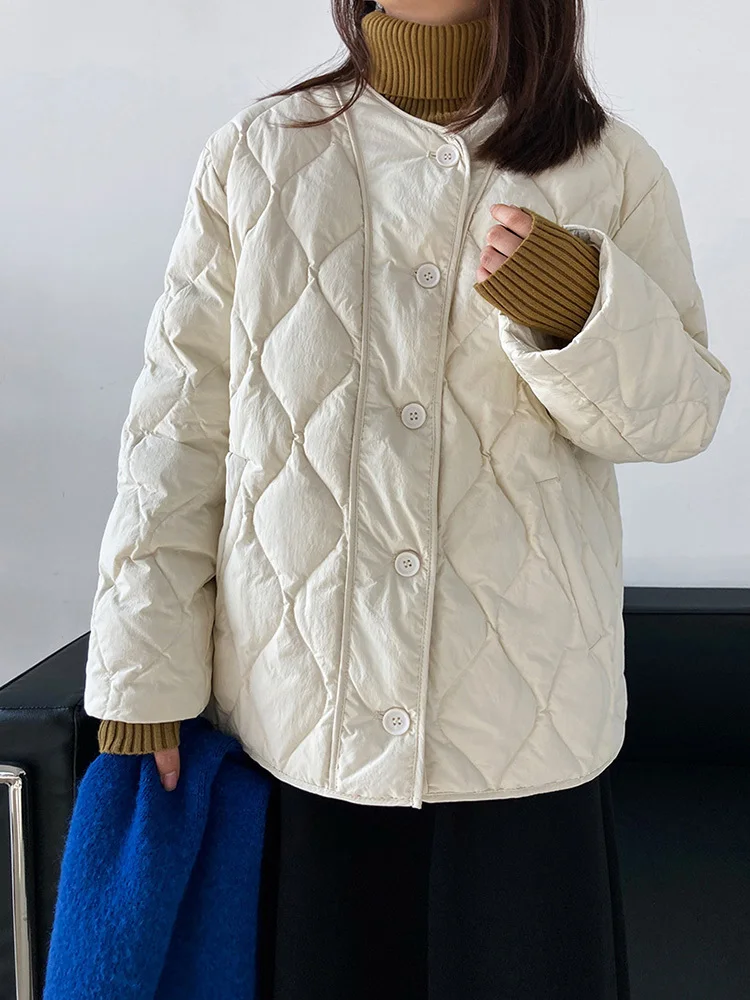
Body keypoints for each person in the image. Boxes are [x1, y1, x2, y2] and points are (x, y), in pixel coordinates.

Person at [82, 1, 732, 997]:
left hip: (526, 740)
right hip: (304, 734)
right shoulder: (259, 156)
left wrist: (579, 308)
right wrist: (141, 682)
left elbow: (681, 416)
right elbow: (176, 435)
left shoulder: (608, 166)